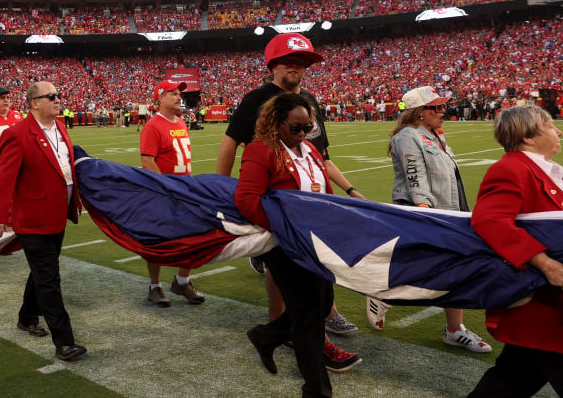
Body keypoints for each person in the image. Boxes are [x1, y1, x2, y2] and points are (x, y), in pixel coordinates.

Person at [216, 33, 362, 349]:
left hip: (311, 193)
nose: (296, 66)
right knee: (281, 260)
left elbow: (322, 157)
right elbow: (230, 141)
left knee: (316, 258)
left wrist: (349, 189)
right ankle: (280, 323)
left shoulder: (309, 102)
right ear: (273, 65)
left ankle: (324, 313)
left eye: (302, 61)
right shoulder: (257, 99)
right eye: (289, 61)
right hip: (277, 194)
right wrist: (221, 186)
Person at [235, 93, 359, 396]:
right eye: (296, 127)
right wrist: (286, 228)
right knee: (308, 322)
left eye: (308, 128)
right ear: (276, 123)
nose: (303, 133)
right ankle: (316, 389)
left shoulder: (312, 152)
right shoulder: (261, 150)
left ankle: (265, 336)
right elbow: (246, 200)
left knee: (318, 304)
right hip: (284, 246)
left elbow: (326, 194)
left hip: (316, 243)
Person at [372, 86, 491, 352]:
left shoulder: (433, 134)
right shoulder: (407, 136)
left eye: (441, 106)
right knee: (441, 267)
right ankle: (384, 295)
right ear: (419, 112)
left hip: (447, 209)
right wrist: (428, 212)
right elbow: (416, 177)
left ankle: (452, 328)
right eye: (435, 107)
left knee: (450, 267)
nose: (442, 111)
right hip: (426, 211)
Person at [468, 104, 563, 396]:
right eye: (549, 125)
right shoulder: (511, 168)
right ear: (528, 137)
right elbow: (490, 219)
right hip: (540, 306)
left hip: (543, 314)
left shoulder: (542, 169)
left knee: (509, 381)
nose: (557, 130)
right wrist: (545, 263)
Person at [0, 81, 86, 363]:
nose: (59, 99)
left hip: (57, 215)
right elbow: (5, 176)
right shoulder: (17, 134)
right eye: (52, 96)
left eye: (59, 95)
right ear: (34, 103)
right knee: (49, 278)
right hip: (32, 218)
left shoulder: (60, 128)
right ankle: (64, 342)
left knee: (42, 270)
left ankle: (26, 316)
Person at [140, 80, 206, 307]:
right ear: (161, 97)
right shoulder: (153, 125)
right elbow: (147, 160)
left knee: (193, 236)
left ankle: (182, 281)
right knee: (156, 240)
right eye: (173, 94)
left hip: (184, 189)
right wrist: (167, 187)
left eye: (180, 94)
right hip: (162, 191)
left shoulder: (181, 122)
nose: (179, 97)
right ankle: (155, 286)